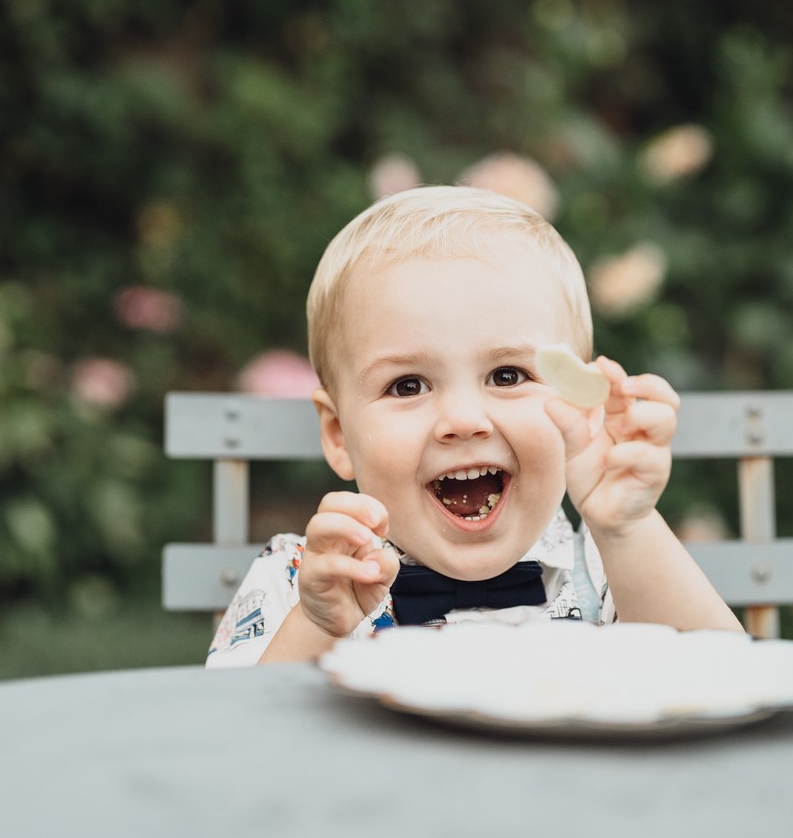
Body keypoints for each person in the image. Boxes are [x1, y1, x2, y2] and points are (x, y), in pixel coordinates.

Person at [206, 185, 741, 666]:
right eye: (408, 385)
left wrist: (629, 529)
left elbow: (731, 689)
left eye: (508, 375)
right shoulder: (302, 580)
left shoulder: (613, 569)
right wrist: (317, 631)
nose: (462, 421)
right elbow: (227, 755)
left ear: (581, 401)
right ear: (339, 434)